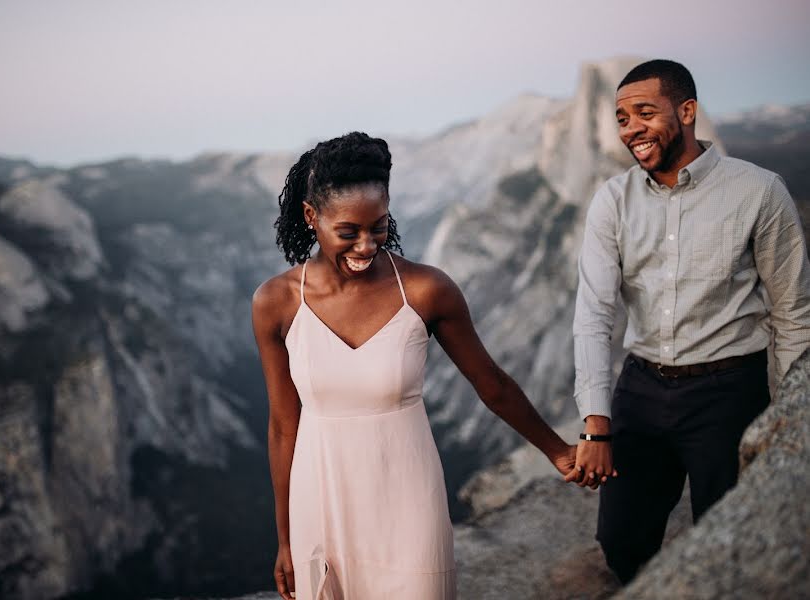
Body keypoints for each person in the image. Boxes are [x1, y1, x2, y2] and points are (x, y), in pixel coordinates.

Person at [252, 131, 578, 599]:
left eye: (378, 227)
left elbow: (492, 384)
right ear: (311, 218)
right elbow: (284, 427)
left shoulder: (427, 290)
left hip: (408, 500)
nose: (366, 245)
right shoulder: (276, 302)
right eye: (348, 232)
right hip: (318, 501)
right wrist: (285, 540)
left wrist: (557, 450)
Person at [572, 59, 810, 583]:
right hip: (641, 388)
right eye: (620, 117)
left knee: (729, 538)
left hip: (730, 393)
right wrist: (596, 421)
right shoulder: (613, 200)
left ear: (686, 111)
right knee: (621, 540)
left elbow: (792, 312)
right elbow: (593, 313)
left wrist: (791, 420)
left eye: (643, 112)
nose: (629, 127)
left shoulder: (759, 191)